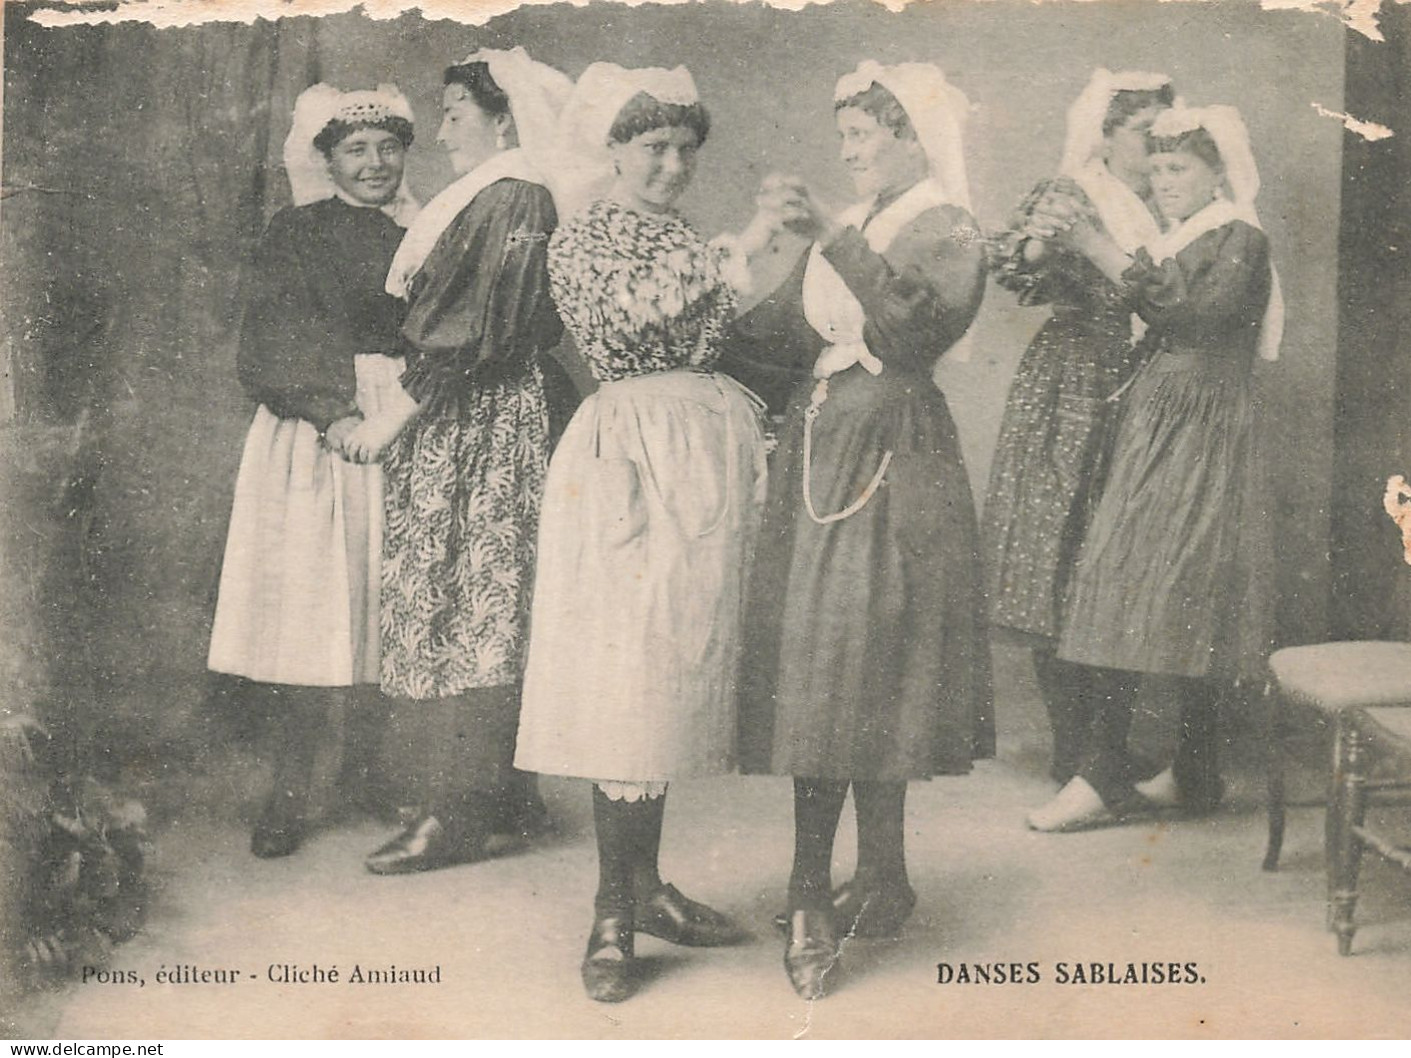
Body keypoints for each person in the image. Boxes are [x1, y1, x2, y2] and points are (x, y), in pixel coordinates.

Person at [724, 61, 993, 1001]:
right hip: (821, 445)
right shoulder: (865, 228)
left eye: (863, 137)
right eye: (840, 137)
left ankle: (817, 893)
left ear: (913, 137)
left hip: (894, 451)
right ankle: (879, 876)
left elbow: (909, 331)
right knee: (835, 662)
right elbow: (774, 337)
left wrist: (832, 236)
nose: (845, 152)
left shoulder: (948, 228)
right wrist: (692, 316)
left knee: (860, 662)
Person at [513, 63, 775, 1004]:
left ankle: (649, 887)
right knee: (628, 680)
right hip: (628, 456)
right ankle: (610, 913)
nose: (671, 164)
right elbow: (639, 313)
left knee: (669, 678)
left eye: (684, 148)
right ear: (614, 150)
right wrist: (747, 247)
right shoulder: (582, 235)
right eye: (652, 146)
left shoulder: (682, 232)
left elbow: (720, 333)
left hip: (704, 452)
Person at [338, 48, 578, 875]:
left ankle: (459, 811)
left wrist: (395, 417)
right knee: (470, 599)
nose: (440, 133)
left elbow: (478, 330)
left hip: (480, 416)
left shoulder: (514, 193)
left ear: (503, 115)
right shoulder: (485, 195)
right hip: (465, 412)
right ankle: (497, 796)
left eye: (453, 113)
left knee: (471, 602)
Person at [1031, 103, 1282, 832]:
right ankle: (1191, 772)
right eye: (1157, 169)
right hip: (1170, 412)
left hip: (1203, 421)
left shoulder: (1237, 235)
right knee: (1155, 585)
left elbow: (1191, 316)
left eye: (1179, 169)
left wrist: (1096, 244)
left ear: (1216, 173)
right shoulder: (1186, 233)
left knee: (1154, 582)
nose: (1163, 181)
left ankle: (1104, 774)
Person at [207, 83, 417, 859]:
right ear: (326, 160)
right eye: (356, 150)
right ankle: (289, 789)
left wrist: (401, 408)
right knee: (312, 606)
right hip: (318, 431)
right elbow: (272, 341)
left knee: (382, 599)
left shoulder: (425, 230)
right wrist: (337, 414)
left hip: (402, 422)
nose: (374, 163)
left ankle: (367, 773)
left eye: (388, 147)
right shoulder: (295, 233)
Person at [980, 69, 1175, 798]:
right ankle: (1076, 750)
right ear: (1106, 133)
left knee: (1118, 564)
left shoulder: (1169, 197)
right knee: (1057, 558)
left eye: (1163, 134)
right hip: (1074, 382)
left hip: (1148, 381)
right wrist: (1040, 247)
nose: (1154, 149)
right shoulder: (1072, 190)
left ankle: (1107, 750)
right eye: (1142, 133)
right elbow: (1012, 265)